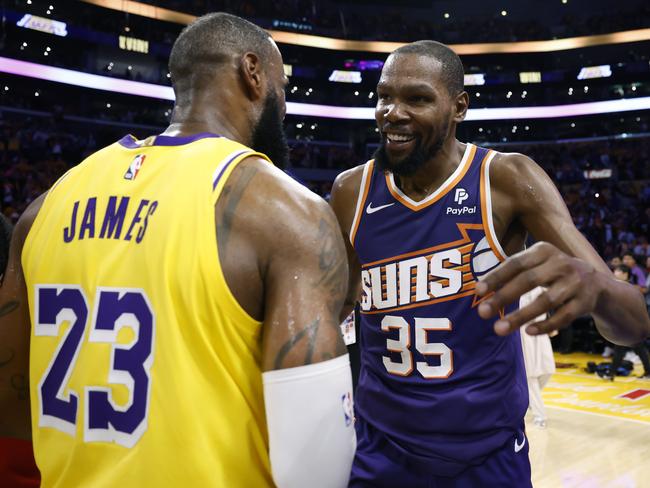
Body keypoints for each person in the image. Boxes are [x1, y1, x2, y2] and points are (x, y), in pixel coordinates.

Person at [0, 13, 356, 487]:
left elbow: (12, 404)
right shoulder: (283, 211)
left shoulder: (46, 205)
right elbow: (317, 457)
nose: (285, 106)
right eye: (282, 85)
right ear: (253, 73)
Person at [329, 40, 650, 487]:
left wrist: (595, 288)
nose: (392, 113)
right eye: (384, 96)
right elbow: (338, 309)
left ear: (459, 107)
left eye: (417, 98)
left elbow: (634, 323)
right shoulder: (351, 191)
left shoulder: (505, 179)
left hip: (486, 458)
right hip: (380, 451)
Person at [604, 265, 650, 380]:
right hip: (624, 323)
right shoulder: (617, 287)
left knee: (626, 347)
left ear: (625, 274)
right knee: (633, 348)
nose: (615, 272)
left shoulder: (629, 288)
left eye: (618, 271)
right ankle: (612, 373)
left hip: (631, 323)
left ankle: (611, 373)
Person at [519, 287, 556, 428]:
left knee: (548, 369)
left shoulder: (544, 287)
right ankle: (539, 416)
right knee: (531, 376)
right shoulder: (521, 287)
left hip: (539, 330)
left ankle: (529, 400)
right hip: (524, 330)